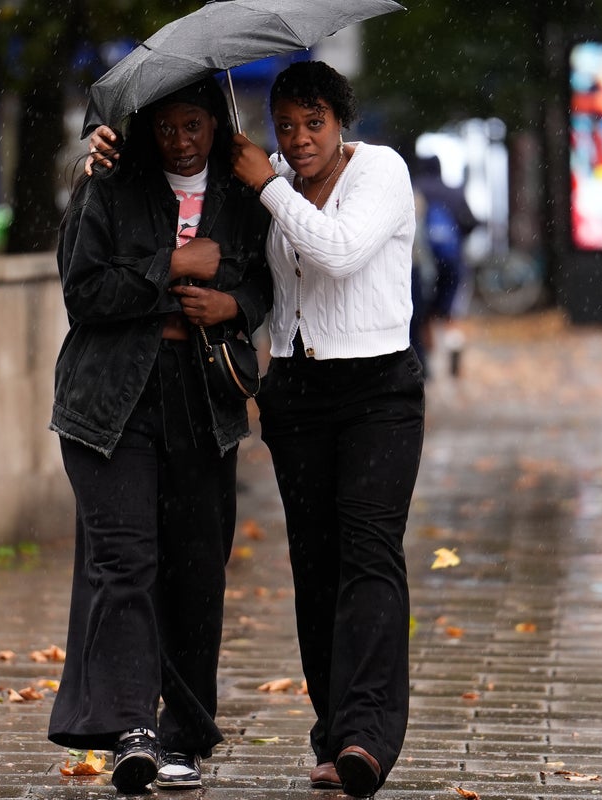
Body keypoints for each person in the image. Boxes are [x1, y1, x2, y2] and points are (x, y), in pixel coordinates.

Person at [50, 77, 272, 795]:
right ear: (147, 127)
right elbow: (83, 291)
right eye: (168, 127)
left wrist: (230, 303)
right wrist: (170, 267)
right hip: (110, 398)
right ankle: (131, 731)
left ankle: (184, 733)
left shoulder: (241, 195)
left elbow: (265, 284)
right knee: (126, 563)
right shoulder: (111, 184)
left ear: (215, 122)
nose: (181, 141)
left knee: (197, 569)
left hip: (202, 399)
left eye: (194, 126)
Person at [229, 60, 426, 798]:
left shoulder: (380, 171)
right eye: (286, 126)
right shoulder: (272, 179)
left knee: (369, 554)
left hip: (378, 391)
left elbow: (339, 252)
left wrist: (267, 184)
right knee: (315, 566)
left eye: (314, 123)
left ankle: (367, 735)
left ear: (341, 122)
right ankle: (332, 731)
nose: (299, 138)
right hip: (298, 392)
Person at [410, 154, 477, 376]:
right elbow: (471, 222)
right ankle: (453, 343)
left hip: (424, 263)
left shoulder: (415, 189)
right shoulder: (453, 192)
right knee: (450, 311)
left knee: (423, 314)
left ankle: (427, 363)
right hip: (452, 260)